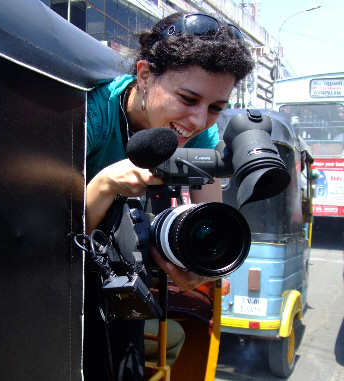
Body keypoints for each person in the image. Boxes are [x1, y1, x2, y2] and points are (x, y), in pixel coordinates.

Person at [83, 12, 255, 380]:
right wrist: (103, 185)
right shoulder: (92, 115)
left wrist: (198, 266)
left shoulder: (202, 137)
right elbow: (37, 234)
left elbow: (211, 219)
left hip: (123, 286)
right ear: (144, 76)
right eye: (188, 98)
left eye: (215, 108)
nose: (197, 121)